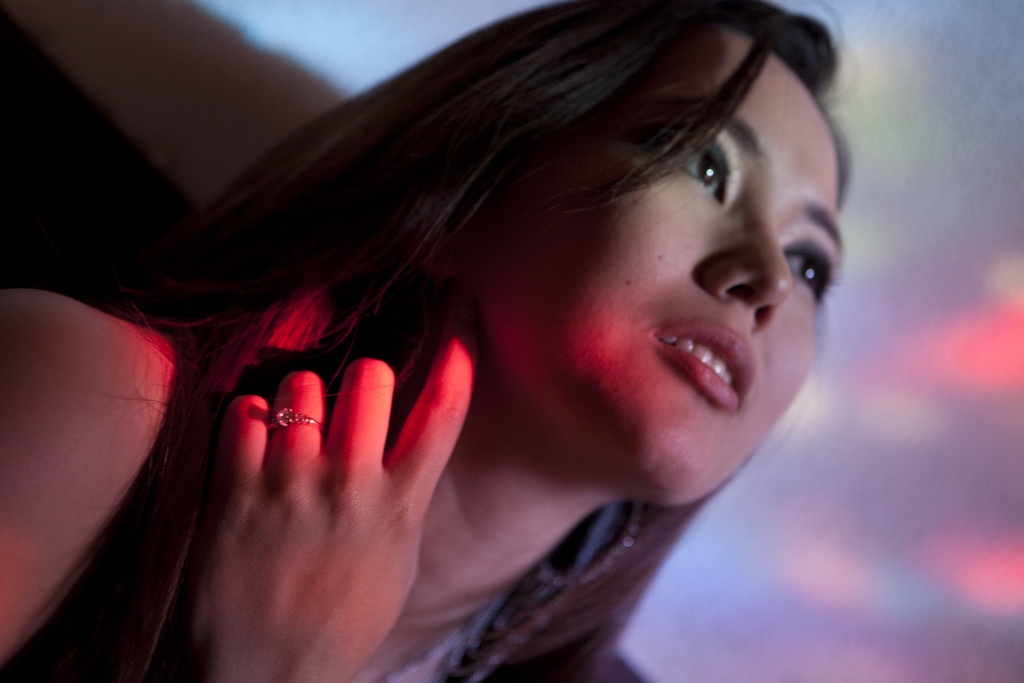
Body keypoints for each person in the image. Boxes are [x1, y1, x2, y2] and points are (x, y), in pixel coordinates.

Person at [0, 0, 846, 680]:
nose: (769, 279)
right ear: (474, 187)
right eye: (706, 167)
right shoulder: (86, 402)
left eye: (811, 264)